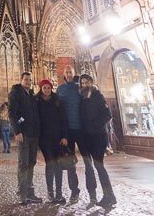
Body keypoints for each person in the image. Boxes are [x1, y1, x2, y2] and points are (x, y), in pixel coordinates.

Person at [58, 65, 96, 204]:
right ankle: (74, 192)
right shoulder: (60, 89)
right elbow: (58, 110)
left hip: (82, 130)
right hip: (68, 131)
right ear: (64, 74)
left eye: (70, 72)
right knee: (70, 164)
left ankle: (92, 192)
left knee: (88, 162)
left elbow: (90, 103)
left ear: (74, 73)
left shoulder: (79, 87)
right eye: (66, 72)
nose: (68, 74)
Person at [79, 74, 117, 207]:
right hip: (87, 137)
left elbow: (108, 115)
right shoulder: (82, 98)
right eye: (82, 83)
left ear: (91, 82)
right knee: (93, 166)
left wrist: (95, 125)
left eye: (86, 82)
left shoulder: (98, 96)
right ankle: (103, 196)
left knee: (99, 166)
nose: (84, 85)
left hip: (98, 136)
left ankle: (109, 196)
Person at [9, 71, 42, 206]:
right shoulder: (16, 93)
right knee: (23, 163)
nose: (28, 82)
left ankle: (30, 192)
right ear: (21, 80)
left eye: (30, 80)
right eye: (26, 79)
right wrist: (18, 131)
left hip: (33, 134)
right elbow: (13, 113)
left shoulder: (31, 95)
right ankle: (23, 194)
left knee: (32, 162)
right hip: (24, 134)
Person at [36, 79, 69, 204]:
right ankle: (50, 193)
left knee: (58, 165)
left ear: (51, 88)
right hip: (44, 139)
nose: (46, 90)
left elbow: (64, 120)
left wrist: (65, 136)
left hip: (58, 138)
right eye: (44, 88)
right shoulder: (37, 101)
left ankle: (59, 193)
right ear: (41, 89)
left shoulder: (58, 101)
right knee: (50, 164)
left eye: (48, 88)